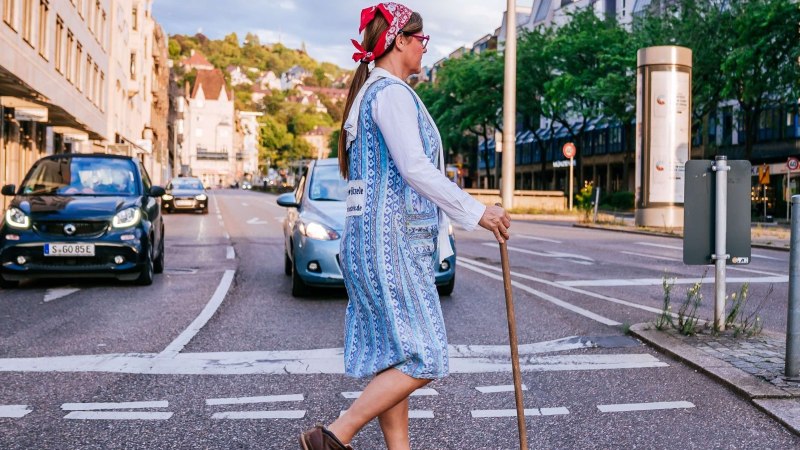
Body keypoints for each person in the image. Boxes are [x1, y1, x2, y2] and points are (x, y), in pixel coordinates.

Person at [299, 3, 511, 450]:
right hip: (390, 244)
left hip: (369, 242)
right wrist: (477, 211)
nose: (423, 49)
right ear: (400, 41)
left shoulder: (368, 94)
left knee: (392, 356)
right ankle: (336, 433)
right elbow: (415, 167)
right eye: (421, 41)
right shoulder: (391, 93)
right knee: (425, 356)